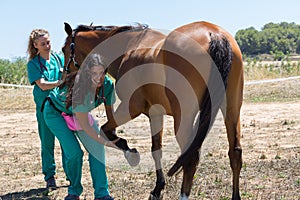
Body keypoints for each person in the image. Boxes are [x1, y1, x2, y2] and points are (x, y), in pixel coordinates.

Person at [42, 53, 140, 200]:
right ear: (88, 73)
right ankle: (74, 191)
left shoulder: (107, 85)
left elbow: (110, 113)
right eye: (94, 73)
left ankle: (102, 194)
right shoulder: (81, 89)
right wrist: (108, 143)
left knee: (97, 150)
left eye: (102, 73)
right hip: (55, 114)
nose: (99, 77)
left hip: (78, 114)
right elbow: (86, 127)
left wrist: (112, 135)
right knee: (74, 153)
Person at [26, 29, 65, 189]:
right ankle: (50, 176)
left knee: (66, 142)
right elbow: (42, 85)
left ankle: (71, 175)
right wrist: (60, 82)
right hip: (44, 109)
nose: (47, 46)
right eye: (43, 44)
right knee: (47, 144)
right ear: (36, 46)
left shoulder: (59, 58)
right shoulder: (33, 64)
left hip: (61, 107)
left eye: (48, 42)